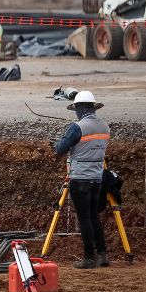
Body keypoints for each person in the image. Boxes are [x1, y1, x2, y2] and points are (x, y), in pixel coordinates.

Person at [54, 90, 110, 269]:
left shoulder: (77, 127)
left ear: (78, 108)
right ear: (93, 107)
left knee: (84, 218)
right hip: (97, 178)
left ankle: (89, 257)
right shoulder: (104, 126)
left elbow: (60, 149)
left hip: (80, 179)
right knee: (94, 216)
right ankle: (102, 255)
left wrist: (58, 144)